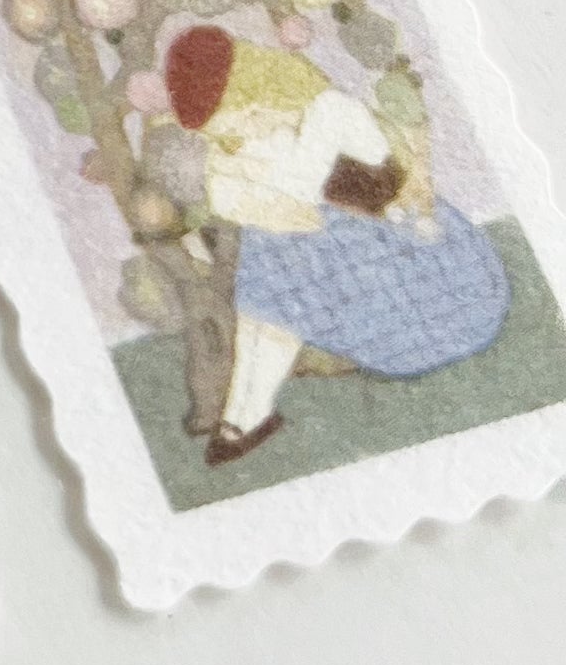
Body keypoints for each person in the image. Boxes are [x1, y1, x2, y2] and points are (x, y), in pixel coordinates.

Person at [160, 25, 511, 468]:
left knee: (274, 255)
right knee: (270, 259)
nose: (243, 131)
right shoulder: (264, 136)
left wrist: (248, 177)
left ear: (255, 89)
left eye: (242, 115)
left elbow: (301, 194)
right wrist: (244, 178)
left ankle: (248, 413)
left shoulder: (330, 110)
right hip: (340, 262)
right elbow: (259, 205)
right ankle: (244, 414)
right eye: (230, 128)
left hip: (413, 266)